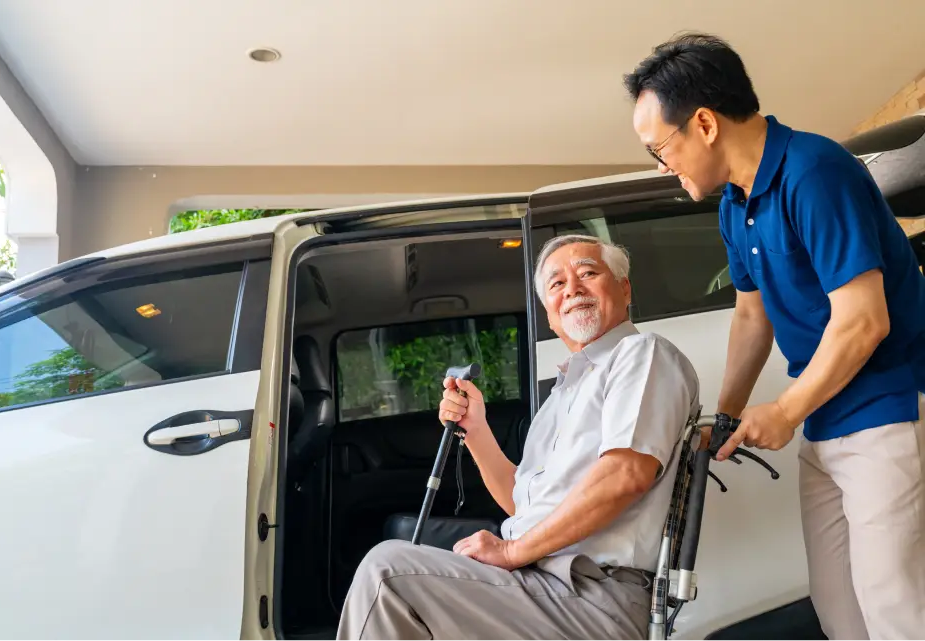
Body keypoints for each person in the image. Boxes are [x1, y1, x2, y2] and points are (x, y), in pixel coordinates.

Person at [624, 33, 925, 641]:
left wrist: (785, 410)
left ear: (703, 123)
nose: (663, 166)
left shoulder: (814, 172)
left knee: (893, 604)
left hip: (887, 410)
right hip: (827, 419)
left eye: (661, 148)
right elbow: (751, 318)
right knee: (838, 604)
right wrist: (728, 416)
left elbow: (865, 319)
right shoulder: (734, 204)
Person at [335, 235, 700, 641]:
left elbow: (625, 475)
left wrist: (511, 552)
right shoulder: (560, 394)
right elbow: (522, 504)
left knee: (388, 574)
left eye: (587, 273)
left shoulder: (640, 354)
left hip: (591, 593)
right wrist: (475, 430)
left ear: (624, 287)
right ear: (548, 313)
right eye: (556, 284)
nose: (572, 289)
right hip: (539, 583)